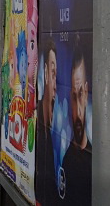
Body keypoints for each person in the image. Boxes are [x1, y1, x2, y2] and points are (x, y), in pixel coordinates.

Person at [60, 40, 92, 204]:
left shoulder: (95, 163)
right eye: (74, 96)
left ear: (86, 93)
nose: (78, 108)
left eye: (80, 94)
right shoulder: (67, 161)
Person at [34, 39, 60, 205]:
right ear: (44, 72)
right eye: (51, 72)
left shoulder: (56, 126)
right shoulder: (36, 119)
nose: (56, 84)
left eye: (56, 74)